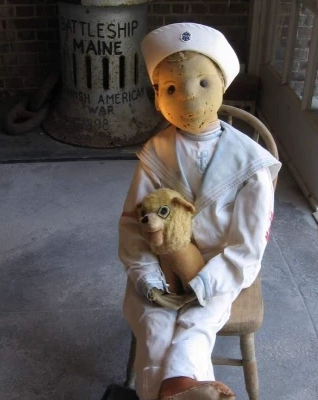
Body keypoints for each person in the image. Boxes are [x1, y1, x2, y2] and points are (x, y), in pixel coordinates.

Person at [118, 22, 281, 400]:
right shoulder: (155, 154)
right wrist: (147, 277)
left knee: (197, 322)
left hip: (220, 266)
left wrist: (207, 282)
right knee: (154, 321)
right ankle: (186, 389)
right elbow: (132, 224)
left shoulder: (249, 162)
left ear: (221, 86)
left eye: (202, 83)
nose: (189, 96)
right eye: (171, 89)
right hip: (161, 264)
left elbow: (247, 246)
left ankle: (170, 390)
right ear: (158, 98)